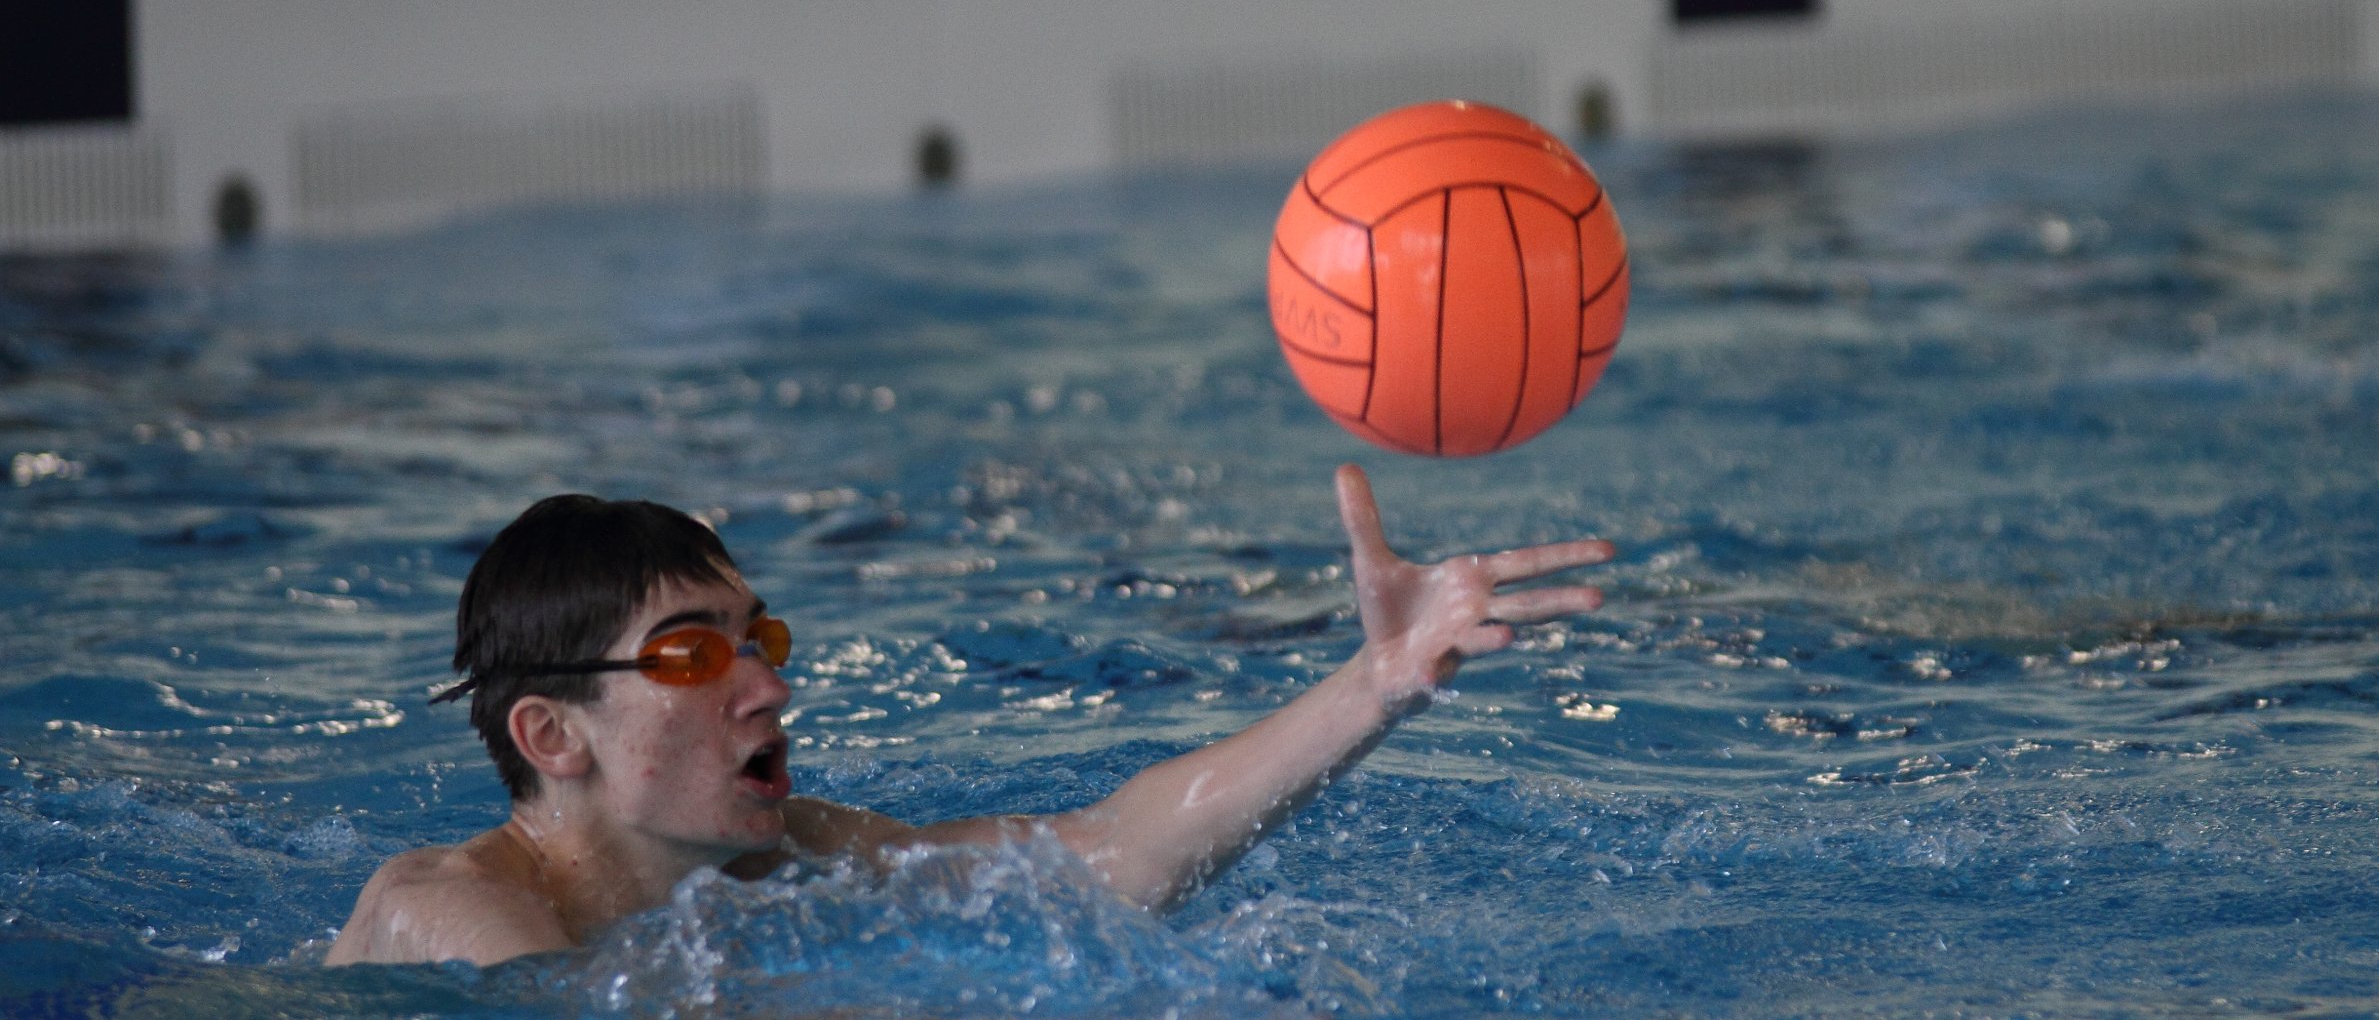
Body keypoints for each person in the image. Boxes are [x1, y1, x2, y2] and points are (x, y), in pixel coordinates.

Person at [327, 466, 1612, 966]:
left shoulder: (785, 860)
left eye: (759, 640)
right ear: (552, 736)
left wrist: (1376, 683)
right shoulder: (450, 915)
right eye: (692, 654)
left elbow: (1104, 857)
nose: (767, 685)